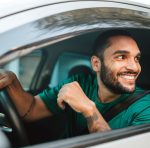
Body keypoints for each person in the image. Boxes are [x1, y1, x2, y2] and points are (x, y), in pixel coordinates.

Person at [0, 29, 150, 138]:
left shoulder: (145, 106)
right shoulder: (80, 83)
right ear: (96, 64)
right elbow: (31, 110)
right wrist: (13, 82)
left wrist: (89, 110)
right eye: (122, 57)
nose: (134, 67)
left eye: (136, 58)